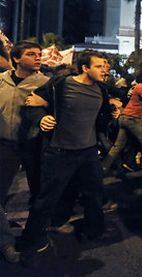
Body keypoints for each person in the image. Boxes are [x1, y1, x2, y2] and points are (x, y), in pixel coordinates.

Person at [20, 51, 114, 263]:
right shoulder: (60, 84)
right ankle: (29, 242)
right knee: (46, 199)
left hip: (89, 151)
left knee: (94, 194)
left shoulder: (102, 89)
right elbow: (32, 102)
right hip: (60, 151)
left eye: (106, 66)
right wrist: (41, 119)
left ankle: (94, 231)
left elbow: (103, 114)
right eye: (99, 66)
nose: (105, 69)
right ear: (85, 68)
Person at [0, 41, 49, 263]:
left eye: (39, 54)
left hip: (34, 144)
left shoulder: (46, 83)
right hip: (5, 145)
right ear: (17, 58)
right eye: (31, 54)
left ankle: (35, 234)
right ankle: (6, 243)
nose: (38, 57)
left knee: (39, 192)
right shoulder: (1, 81)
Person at [102, 68, 142, 179]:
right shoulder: (141, 87)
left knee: (117, 146)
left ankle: (104, 168)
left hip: (125, 117)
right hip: (133, 118)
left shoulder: (139, 86)